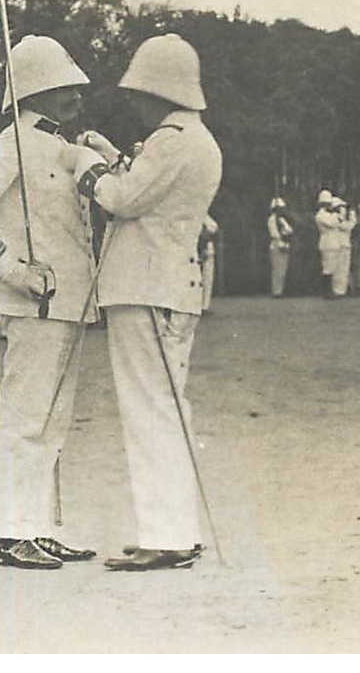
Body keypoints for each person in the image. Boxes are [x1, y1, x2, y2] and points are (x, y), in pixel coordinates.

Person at [0, 35, 103, 571]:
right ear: (39, 90)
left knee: (53, 418)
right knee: (26, 417)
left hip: (68, 303)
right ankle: (13, 534)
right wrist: (10, 270)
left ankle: (42, 527)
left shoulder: (59, 144)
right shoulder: (11, 143)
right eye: (66, 87)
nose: (78, 95)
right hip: (35, 303)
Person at [74, 33, 224, 572]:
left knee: (150, 411)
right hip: (168, 286)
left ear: (160, 90)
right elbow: (148, 189)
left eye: (141, 90)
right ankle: (172, 529)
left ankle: (168, 535)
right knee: (164, 409)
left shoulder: (172, 140)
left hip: (147, 287)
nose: (135, 101)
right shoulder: (195, 140)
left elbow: (123, 198)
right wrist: (114, 155)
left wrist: (86, 166)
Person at [266, 196, 293, 297]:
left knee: (283, 269)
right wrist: (281, 238)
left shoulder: (282, 219)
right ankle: (276, 291)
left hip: (285, 243)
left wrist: (286, 236)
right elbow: (274, 233)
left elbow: (289, 230)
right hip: (276, 244)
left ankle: (281, 290)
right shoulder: (272, 219)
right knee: (277, 269)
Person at [198, 214, 220, 311]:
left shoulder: (205, 217)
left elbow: (213, 229)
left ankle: (205, 306)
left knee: (207, 278)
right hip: (197, 248)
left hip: (206, 248)